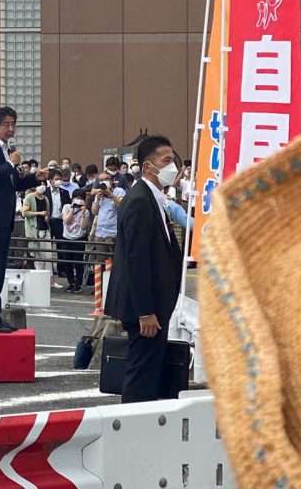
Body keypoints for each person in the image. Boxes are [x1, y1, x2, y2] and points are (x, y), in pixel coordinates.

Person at [105, 136, 183, 403]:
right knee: (141, 374)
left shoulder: (155, 198)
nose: (173, 167)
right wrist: (146, 311)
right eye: (167, 161)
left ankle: (141, 427)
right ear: (149, 166)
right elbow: (136, 260)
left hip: (155, 305)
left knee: (149, 372)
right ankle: (131, 431)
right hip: (145, 310)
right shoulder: (140, 200)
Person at [0, 106, 47, 333]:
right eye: (6, 124)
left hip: (4, 217)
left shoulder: (7, 150)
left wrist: (34, 178)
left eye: (13, 124)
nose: (11, 128)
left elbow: (12, 183)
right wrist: (10, 164)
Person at [88, 170, 126, 268]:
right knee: (101, 263)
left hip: (114, 233)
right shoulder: (99, 193)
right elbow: (94, 212)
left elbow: (122, 207)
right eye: (101, 180)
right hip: (100, 233)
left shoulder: (119, 191)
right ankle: (101, 283)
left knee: (115, 263)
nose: (103, 181)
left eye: (106, 179)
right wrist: (97, 199)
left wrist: (111, 195)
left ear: (112, 180)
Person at [61, 190, 90, 293]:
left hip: (79, 238)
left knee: (78, 262)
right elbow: (66, 221)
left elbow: (83, 226)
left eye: (80, 199)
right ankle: (71, 283)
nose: (78, 201)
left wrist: (82, 213)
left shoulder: (86, 211)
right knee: (67, 261)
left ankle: (78, 284)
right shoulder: (66, 207)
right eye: (76, 198)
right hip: (66, 238)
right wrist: (73, 210)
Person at [47, 170, 71, 289]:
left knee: (61, 246)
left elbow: (68, 206)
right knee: (47, 246)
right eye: (56, 179)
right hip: (48, 220)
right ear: (50, 180)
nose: (58, 181)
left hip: (60, 221)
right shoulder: (45, 192)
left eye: (59, 179)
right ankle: (49, 272)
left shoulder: (64, 192)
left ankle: (62, 269)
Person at [21, 185, 52, 274]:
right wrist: (39, 213)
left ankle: (50, 279)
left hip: (45, 229)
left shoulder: (46, 198)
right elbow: (24, 213)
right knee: (38, 257)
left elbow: (48, 212)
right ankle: (40, 278)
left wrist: (46, 217)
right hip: (34, 230)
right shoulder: (29, 197)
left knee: (48, 256)